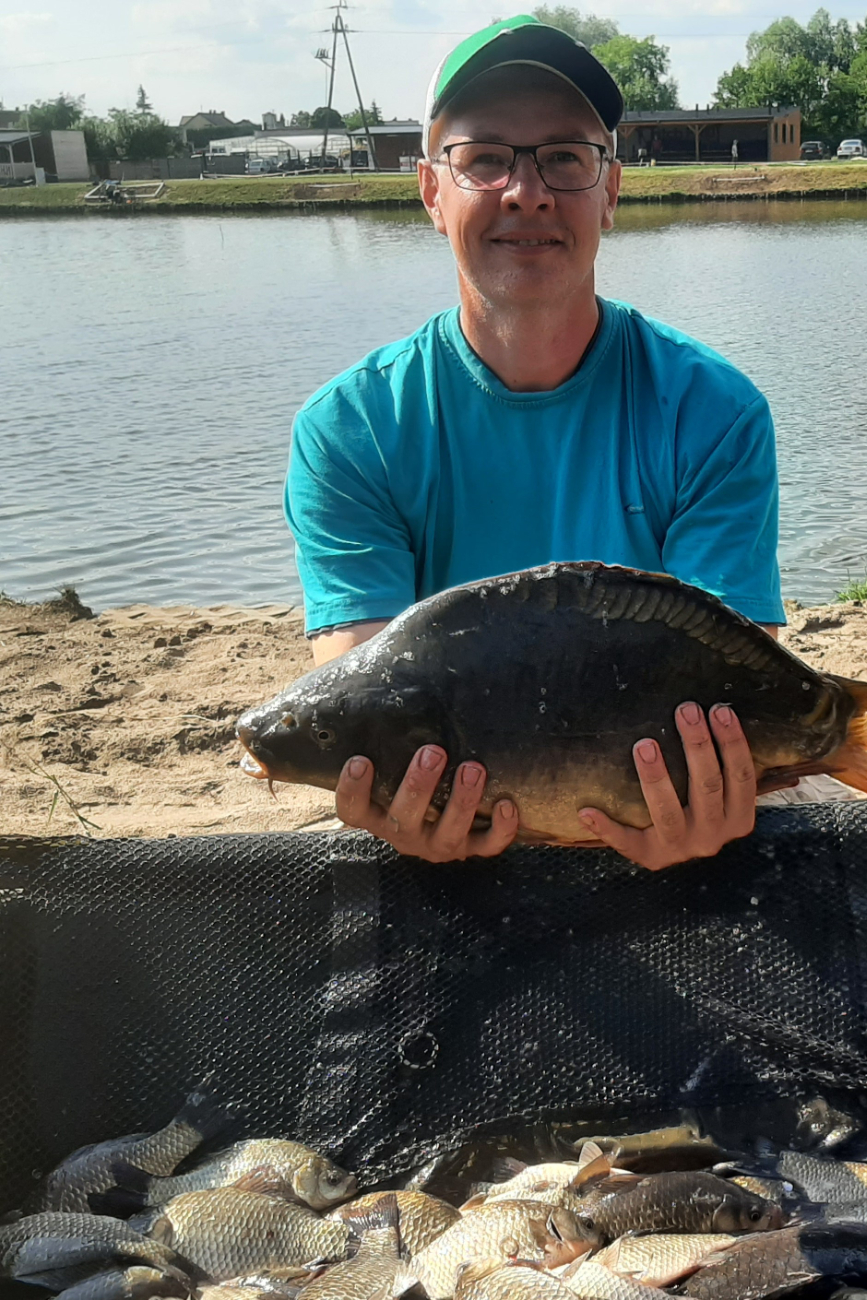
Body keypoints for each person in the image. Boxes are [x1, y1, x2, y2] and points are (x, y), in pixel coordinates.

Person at [284, 15, 790, 870]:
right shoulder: (351, 429)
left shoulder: (715, 410)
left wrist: (721, 799)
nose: (527, 191)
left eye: (565, 157)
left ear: (612, 191)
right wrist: (394, 805)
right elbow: (358, 688)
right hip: (447, 845)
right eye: (485, 159)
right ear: (430, 192)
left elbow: (735, 669)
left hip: (663, 815)